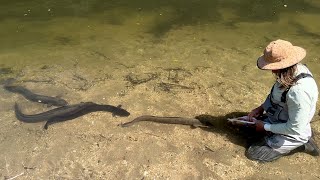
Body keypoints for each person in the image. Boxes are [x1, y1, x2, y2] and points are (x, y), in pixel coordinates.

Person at [245, 39, 320, 162]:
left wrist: (265, 127)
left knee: (254, 154)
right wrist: (260, 108)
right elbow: (275, 95)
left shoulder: (299, 91)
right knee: (246, 127)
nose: (273, 71)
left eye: (275, 68)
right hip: (281, 119)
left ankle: (303, 144)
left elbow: (295, 128)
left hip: (294, 132)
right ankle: (270, 132)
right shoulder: (291, 71)